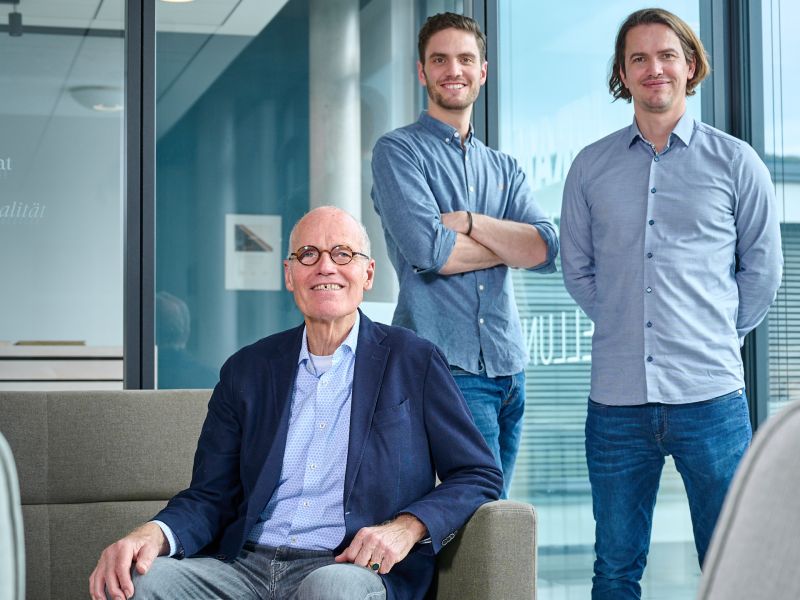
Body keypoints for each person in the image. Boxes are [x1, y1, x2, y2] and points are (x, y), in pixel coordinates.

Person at [89, 206, 502, 600]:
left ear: (368, 273)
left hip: (344, 566)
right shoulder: (247, 369)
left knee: (333, 591)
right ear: (290, 274)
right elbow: (210, 495)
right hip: (241, 568)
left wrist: (406, 528)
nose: (325, 266)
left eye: (343, 253)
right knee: (141, 584)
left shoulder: (415, 360)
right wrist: (152, 533)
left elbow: (477, 473)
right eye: (308, 254)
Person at [559, 8, 783, 599]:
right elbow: (578, 271)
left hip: (711, 399)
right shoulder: (589, 167)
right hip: (615, 404)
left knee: (731, 565)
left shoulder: (737, 163)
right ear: (623, 74)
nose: (653, 68)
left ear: (690, 66)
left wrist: (708, 331)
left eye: (666, 55)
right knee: (613, 570)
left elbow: (762, 271)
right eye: (638, 58)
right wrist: (623, 322)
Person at [370, 12, 558, 496]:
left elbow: (544, 247)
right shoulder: (398, 152)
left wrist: (472, 223)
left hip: (509, 366)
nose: (453, 69)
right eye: (440, 59)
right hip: (445, 367)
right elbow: (432, 252)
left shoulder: (505, 168)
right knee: (474, 518)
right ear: (422, 71)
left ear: (483, 71)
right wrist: (506, 246)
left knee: (493, 523)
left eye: (465, 59)